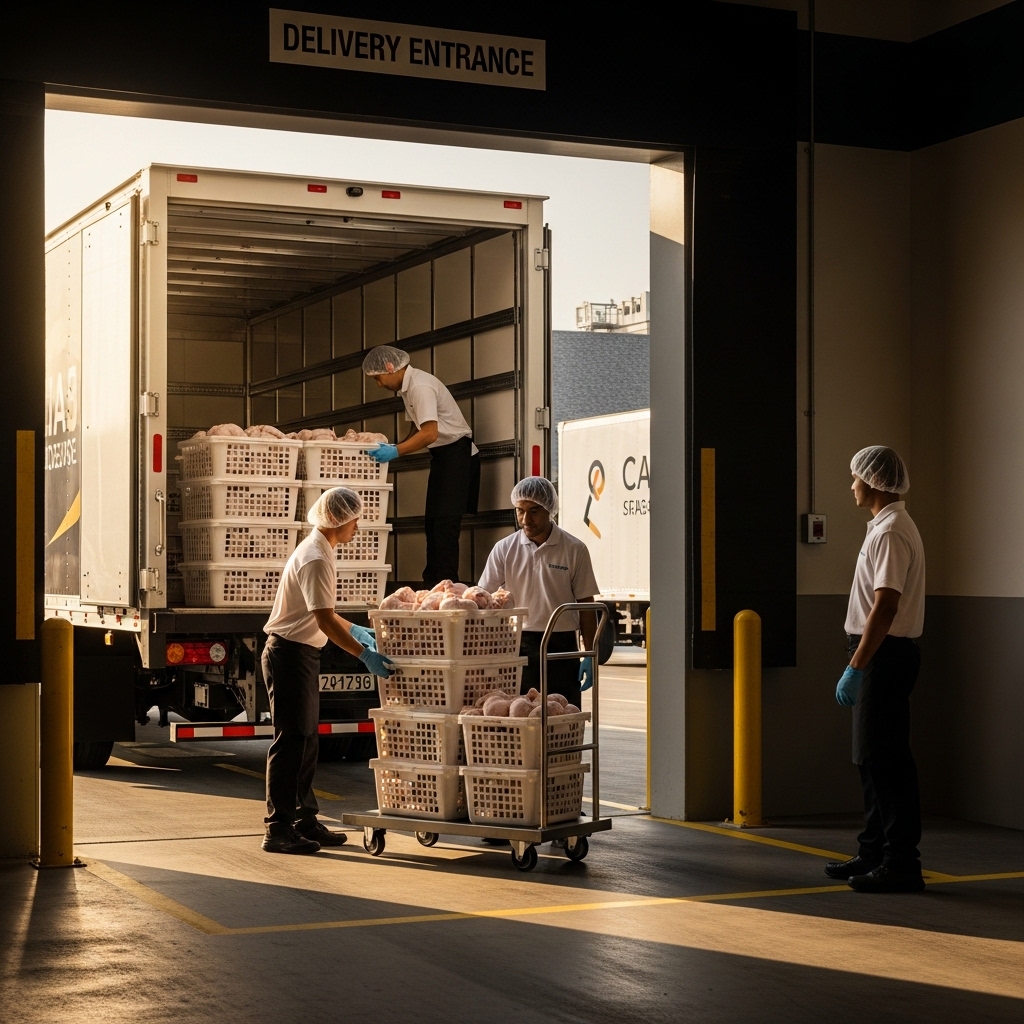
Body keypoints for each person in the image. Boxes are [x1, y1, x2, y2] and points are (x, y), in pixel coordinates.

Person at [261, 487, 393, 855]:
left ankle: (305, 820)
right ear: (338, 519)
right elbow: (323, 620)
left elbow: (326, 614)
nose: (358, 527)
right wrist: (363, 655)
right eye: (355, 519)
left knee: (307, 741)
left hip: (301, 653)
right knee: (291, 742)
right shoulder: (316, 557)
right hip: (289, 654)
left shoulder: (321, 549)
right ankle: (278, 829)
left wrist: (357, 630)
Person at [824, 446, 926, 893]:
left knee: (886, 762)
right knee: (872, 760)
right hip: (879, 654)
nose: (851, 485)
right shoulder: (886, 527)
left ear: (874, 481)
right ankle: (873, 852)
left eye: (855, 477)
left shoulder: (890, 533)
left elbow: (885, 605)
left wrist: (857, 665)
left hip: (883, 655)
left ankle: (902, 863)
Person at [362, 345, 480, 588]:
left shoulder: (420, 386)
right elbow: (418, 428)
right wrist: (399, 443)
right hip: (442, 456)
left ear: (389, 367)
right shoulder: (408, 389)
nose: (379, 385)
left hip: (458, 454)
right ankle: (432, 584)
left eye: (378, 378)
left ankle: (448, 586)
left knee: (445, 525)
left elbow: (429, 432)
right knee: (432, 523)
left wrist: (396, 451)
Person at [478, 477, 599, 709]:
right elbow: (482, 598)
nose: (526, 519)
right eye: (520, 511)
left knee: (564, 717)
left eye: (534, 511)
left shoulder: (574, 549)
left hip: (562, 645)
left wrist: (591, 655)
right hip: (519, 644)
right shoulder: (504, 549)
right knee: (522, 716)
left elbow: (586, 606)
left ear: (549, 510)